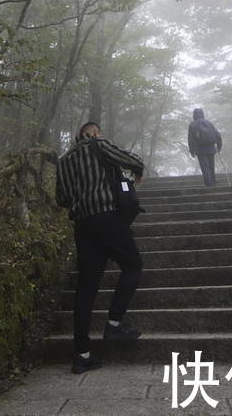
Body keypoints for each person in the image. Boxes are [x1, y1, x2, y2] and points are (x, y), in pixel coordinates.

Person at [55, 121, 145, 374]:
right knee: (133, 265)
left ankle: (82, 354)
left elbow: (61, 198)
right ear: (93, 133)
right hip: (108, 217)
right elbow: (129, 159)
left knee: (86, 287)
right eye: (97, 132)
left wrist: (82, 197)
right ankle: (115, 323)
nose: (99, 135)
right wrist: (136, 170)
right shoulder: (99, 145)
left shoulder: (64, 160)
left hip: (83, 225)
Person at [187, 107, 223, 186]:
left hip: (200, 149)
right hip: (211, 148)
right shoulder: (209, 123)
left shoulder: (192, 124)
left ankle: (209, 184)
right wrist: (219, 146)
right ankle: (213, 183)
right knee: (211, 166)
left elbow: (190, 139)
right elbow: (217, 135)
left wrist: (192, 151)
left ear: (194, 115)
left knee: (205, 167)